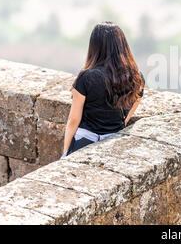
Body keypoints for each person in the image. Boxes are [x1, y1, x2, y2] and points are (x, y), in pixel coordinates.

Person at [61, 21, 145, 158]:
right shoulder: (136, 76)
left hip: (85, 140)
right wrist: (122, 122)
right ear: (122, 45)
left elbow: (73, 120)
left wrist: (65, 153)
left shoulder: (87, 77)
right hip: (114, 140)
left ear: (95, 46)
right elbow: (137, 100)